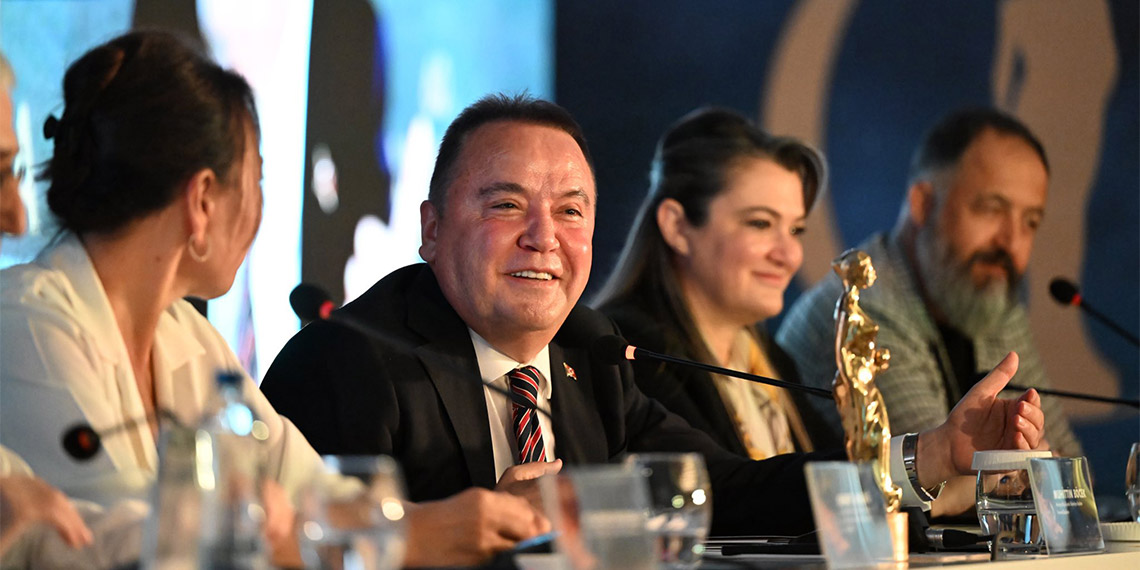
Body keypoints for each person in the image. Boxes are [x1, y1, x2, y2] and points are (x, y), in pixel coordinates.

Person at [262, 93, 1047, 537]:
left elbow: (730, 492)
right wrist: (484, 535)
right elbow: (303, 548)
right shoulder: (346, 364)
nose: (543, 238)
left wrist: (930, 455)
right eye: (505, 205)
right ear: (432, 229)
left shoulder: (589, 356)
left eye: (571, 211)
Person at [0, 31, 541, 568]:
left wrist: (463, 521)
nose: (260, 213)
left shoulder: (186, 335)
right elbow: (125, 546)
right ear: (203, 200)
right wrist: (408, 538)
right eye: (256, 180)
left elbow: (319, 493)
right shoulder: (27, 322)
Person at [778, 108, 1082, 514]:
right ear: (923, 204)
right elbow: (933, 482)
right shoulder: (863, 306)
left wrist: (1034, 469)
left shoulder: (985, 294)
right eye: (992, 208)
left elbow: (1071, 477)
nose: (1011, 242)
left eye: (1030, 221)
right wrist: (1031, 469)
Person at [594, 108, 839, 460]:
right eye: (760, 223)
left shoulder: (771, 357)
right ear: (677, 227)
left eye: (795, 230)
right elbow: (729, 486)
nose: (789, 255)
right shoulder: (633, 353)